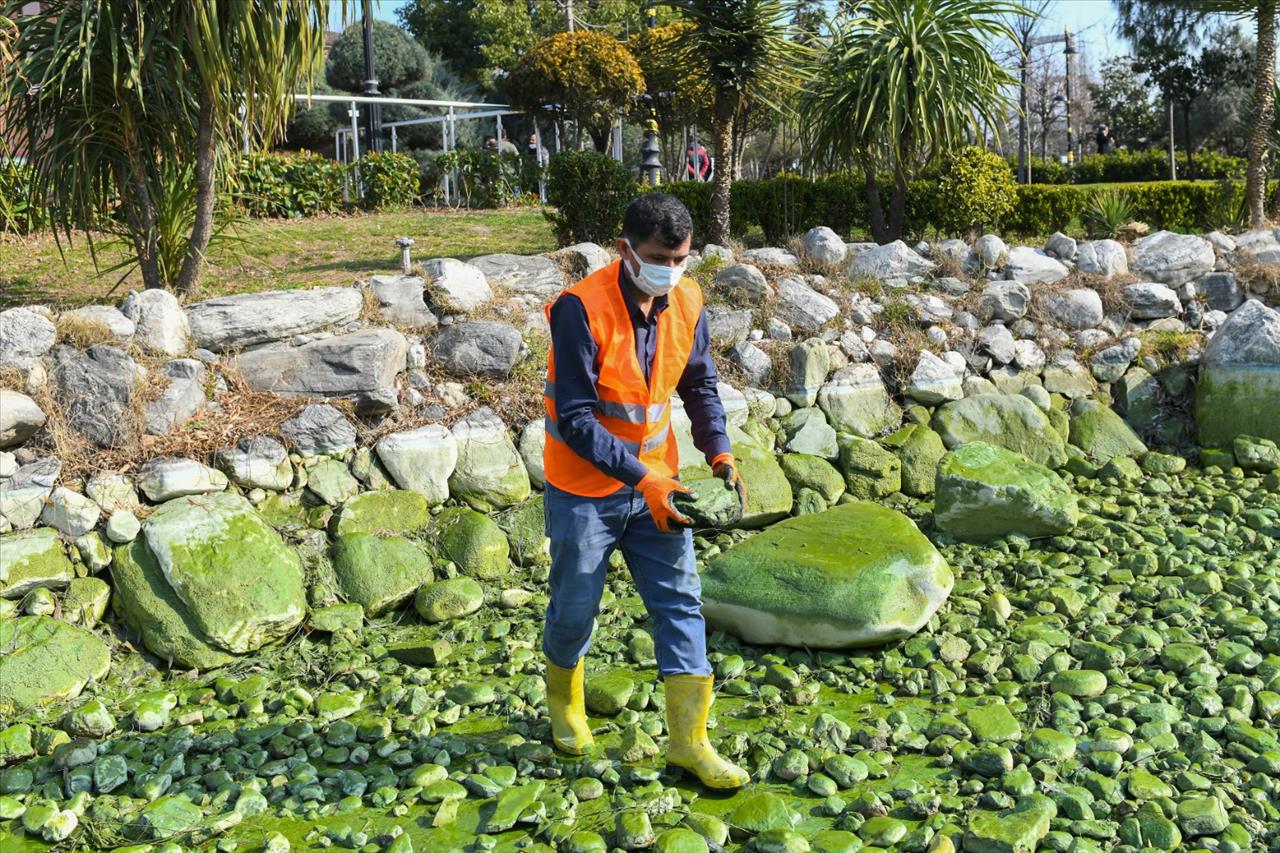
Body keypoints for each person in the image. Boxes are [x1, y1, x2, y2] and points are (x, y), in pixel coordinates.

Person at [541, 193, 750, 789]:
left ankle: (689, 742)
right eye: (660, 258)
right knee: (576, 603)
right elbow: (578, 419)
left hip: (659, 485)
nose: (671, 270)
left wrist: (719, 451)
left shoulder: (687, 299)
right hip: (585, 489)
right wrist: (646, 478)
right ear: (624, 250)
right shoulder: (580, 309)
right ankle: (565, 703)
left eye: (681, 259)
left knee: (680, 602)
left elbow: (700, 385)